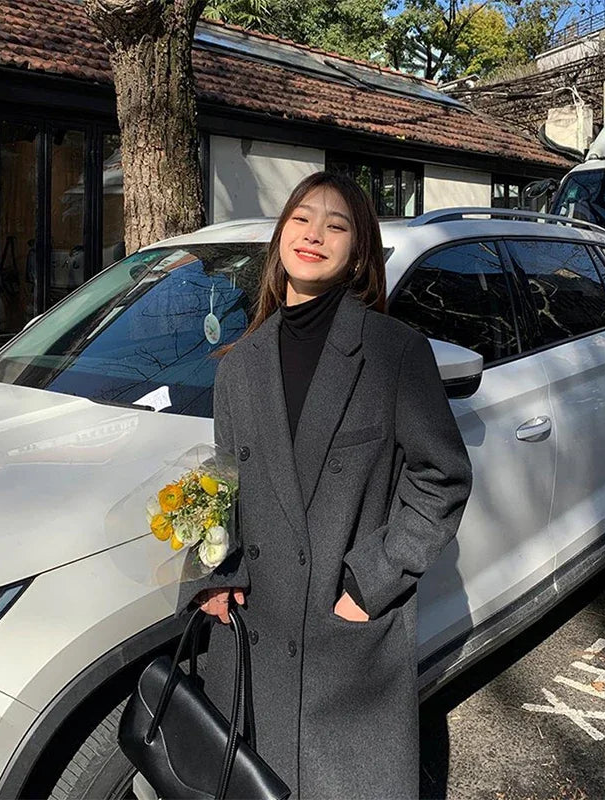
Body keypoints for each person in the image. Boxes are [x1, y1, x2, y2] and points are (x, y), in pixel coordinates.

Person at [176, 171, 473, 799]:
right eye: (301, 218)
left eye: (336, 225)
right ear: (280, 232)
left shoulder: (391, 351)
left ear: (358, 252)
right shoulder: (239, 365)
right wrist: (211, 577)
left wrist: (371, 582)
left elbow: (441, 474)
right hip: (255, 632)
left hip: (343, 639)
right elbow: (222, 481)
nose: (314, 234)